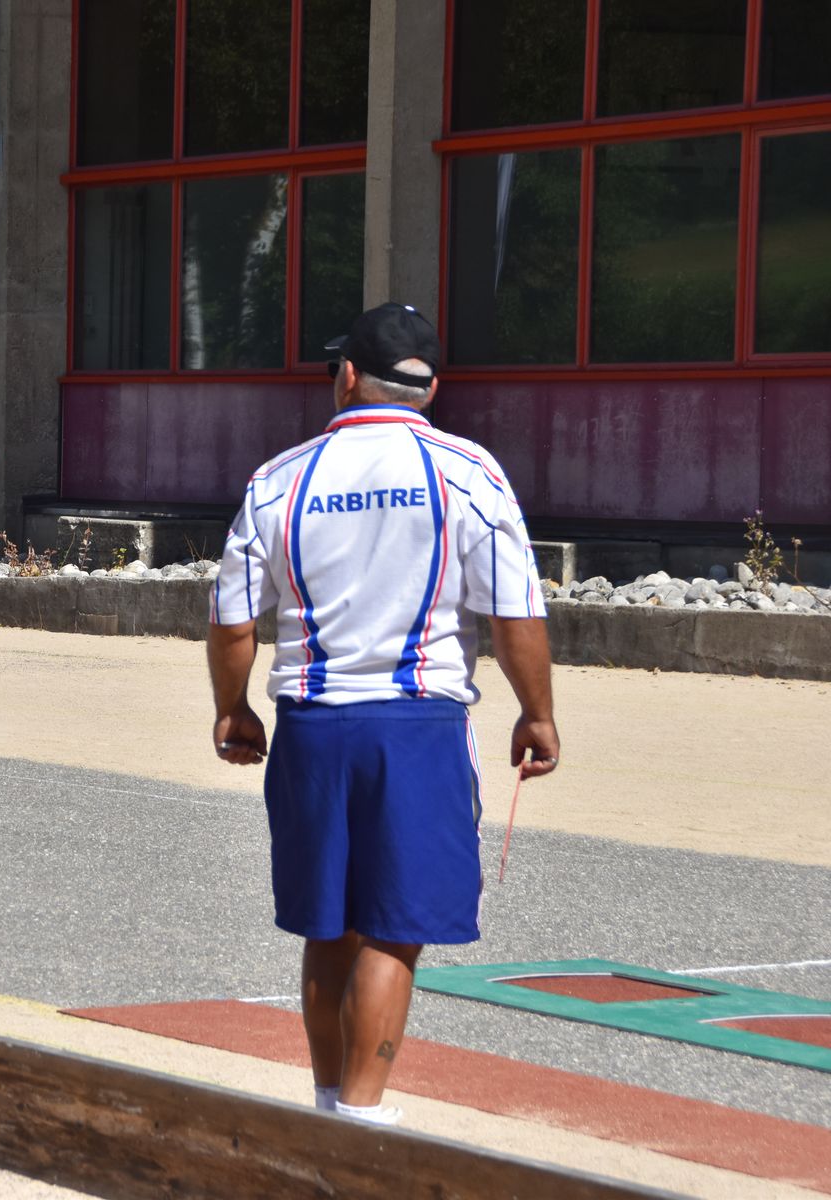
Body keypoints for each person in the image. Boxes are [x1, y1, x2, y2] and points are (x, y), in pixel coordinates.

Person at [206, 302, 559, 1126]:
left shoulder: (279, 478)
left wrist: (233, 710)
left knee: (328, 927)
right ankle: (362, 1120)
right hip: (416, 723)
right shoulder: (468, 471)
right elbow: (514, 612)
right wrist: (537, 712)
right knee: (394, 928)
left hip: (312, 723)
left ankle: (328, 1102)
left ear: (347, 377)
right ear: (430, 388)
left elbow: (232, 619)